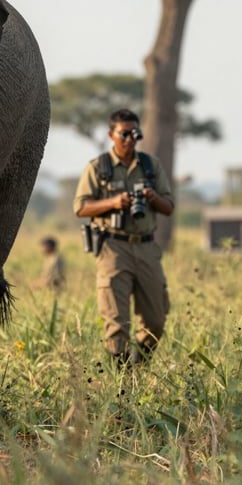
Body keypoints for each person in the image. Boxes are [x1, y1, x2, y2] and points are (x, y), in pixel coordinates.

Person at [73, 109, 174, 366]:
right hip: (113, 248)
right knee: (117, 323)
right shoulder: (98, 168)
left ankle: (138, 367)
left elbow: (169, 207)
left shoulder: (151, 166)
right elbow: (81, 207)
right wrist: (113, 202)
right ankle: (121, 385)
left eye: (135, 133)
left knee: (155, 321)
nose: (130, 139)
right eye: (124, 134)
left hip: (147, 247)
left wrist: (152, 198)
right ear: (111, 135)